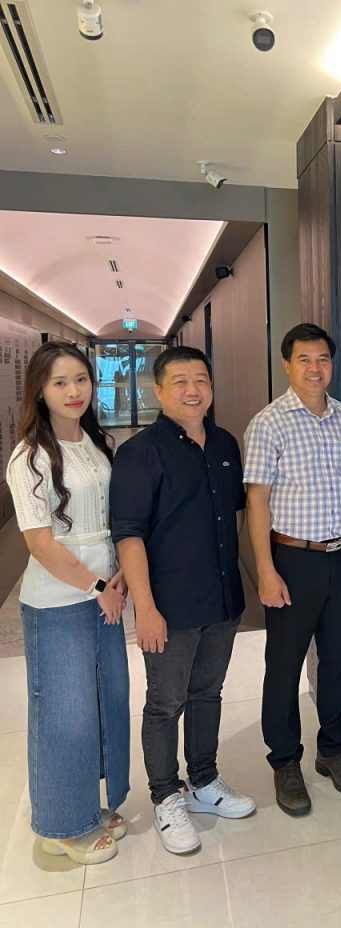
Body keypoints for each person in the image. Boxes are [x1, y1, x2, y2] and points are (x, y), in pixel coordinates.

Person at [110, 345, 254, 856]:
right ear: (158, 391)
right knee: (165, 702)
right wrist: (145, 609)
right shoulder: (139, 453)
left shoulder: (225, 442)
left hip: (222, 596)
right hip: (169, 605)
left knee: (208, 693)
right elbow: (129, 535)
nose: (193, 390)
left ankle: (205, 781)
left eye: (201, 380)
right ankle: (166, 796)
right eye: (180, 382)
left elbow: (234, 513)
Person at [244, 323, 341, 817]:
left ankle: (334, 751)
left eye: (322, 358)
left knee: (340, 659)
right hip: (292, 560)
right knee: (284, 665)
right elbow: (257, 502)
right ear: (287, 365)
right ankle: (284, 761)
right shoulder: (268, 423)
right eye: (304, 359)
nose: (315, 368)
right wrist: (265, 569)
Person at [6, 341, 129, 865]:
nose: (74, 391)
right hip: (59, 602)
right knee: (64, 713)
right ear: (40, 389)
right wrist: (99, 588)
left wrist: (117, 578)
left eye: (81, 379)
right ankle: (59, 826)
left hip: (106, 591)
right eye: (60, 382)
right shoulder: (28, 456)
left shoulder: (95, 441)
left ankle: (86, 805)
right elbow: (40, 543)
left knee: (102, 703)